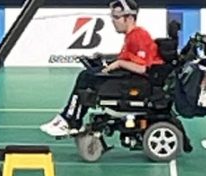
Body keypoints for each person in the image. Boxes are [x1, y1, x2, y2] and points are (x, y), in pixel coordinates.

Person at [40, 0, 164, 138]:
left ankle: (71, 120)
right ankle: (70, 117)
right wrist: (106, 58)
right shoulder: (130, 36)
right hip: (128, 77)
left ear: (129, 18)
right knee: (89, 73)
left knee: (86, 77)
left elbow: (142, 68)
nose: (113, 21)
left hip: (135, 82)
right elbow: (128, 57)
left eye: (117, 17)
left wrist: (118, 64)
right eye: (113, 17)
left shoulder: (139, 35)